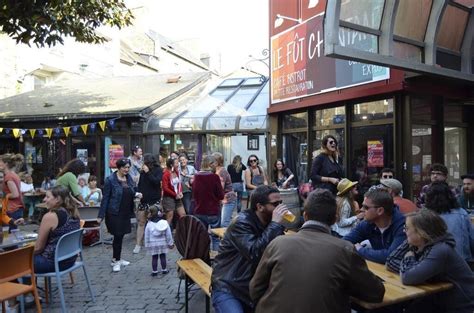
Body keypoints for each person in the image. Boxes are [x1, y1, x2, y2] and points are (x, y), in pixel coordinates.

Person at [250, 189, 385, 313]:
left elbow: (255, 288)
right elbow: (376, 293)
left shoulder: (277, 243)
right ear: (335, 219)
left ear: (305, 216)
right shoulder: (344, 250)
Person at [211, 185, 289, 313]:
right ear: (259, 207)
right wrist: (275, 225)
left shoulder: (271, 224)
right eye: (275, 204)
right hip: (229, 286)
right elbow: (255, 254)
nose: (280, 208)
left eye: (281, 202)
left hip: (255, 288)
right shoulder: (242, 222)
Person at [395, 210, 474, 313]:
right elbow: (391, 261)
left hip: (461, 307)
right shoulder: (423, 246)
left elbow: (407, 277)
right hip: (440, 301)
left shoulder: (440, 250)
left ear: (421, 232)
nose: (404, 231)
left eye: (407, 228)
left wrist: (408, 257)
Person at [97, 158, 142, 272]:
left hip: (125, 211)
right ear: (119, 167)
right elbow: (106, 198)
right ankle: (116, 261)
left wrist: (136, 193)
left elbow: (131, 190)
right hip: (114, 212)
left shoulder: (128, 178)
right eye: (124, 167)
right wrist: (100, 215)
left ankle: (117, 258)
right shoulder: (110, 180)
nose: (126, 170)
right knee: (117, 235)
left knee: (121, 236)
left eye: (128, 167)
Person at [343, 188, 406, 264]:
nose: (361, 209)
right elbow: (343, 243)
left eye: (366, 207)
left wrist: (360, 250)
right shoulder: (367, 223)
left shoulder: (402, 224)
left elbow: (392, 256)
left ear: (380, 211)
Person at [424, 181, 473, 264]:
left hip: (433, 263)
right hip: (462, 262)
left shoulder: (425, 216)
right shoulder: (461, 213)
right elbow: (472, 239)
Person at [34, 185, 80, 273]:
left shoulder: (50, 216)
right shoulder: (74, 212)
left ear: (57, 199)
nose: (44, 199)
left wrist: (22, 255)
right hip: (69, 259)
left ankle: (27, 286)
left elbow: (39, 248)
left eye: (47, 197)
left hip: (53, 262)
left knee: (14, 262)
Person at [192, 155, 224, 249]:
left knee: (202, 237)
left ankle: (203, 258)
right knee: (215, 237)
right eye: (215, 164)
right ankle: (215, 260)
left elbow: (194, 194)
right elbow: (221, 195)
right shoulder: (214, 177)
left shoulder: (196, 177)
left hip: (200, 210)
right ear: (210, 164)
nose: (216, 166)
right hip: (213, 211)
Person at [134, 153, 163, 254]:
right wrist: (138, 193)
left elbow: (156, 182)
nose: (144, 164)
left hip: (154, 200)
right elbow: (141, 184)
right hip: (144, 200)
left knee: (155, 222)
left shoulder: (158, 170)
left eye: (145, 162)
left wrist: (148, 172)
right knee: (141, 222)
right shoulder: (143, 171)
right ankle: (138, 244)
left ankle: (155, 242)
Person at [144, 205, 174, 276]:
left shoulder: (149, 224)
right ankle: (164, 269)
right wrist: (170, 243)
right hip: (162, 242)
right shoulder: (165, 223)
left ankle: (154, 271)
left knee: (154, 257)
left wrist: (147, 244)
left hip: (153, 243)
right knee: (163, 256)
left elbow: (146, 235)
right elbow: (168, 234)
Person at [0, 153, 25, 232]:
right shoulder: (13, 174)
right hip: (15, 208)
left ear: (6, 164)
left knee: (10, 236)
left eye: (0, 162)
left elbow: (15, 194)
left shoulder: (8, 176)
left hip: (12, 209)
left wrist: (4, 195)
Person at [213, 152, 236, 228]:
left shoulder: (222, 171)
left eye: (212, 161)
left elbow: (220, 187)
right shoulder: (215, 171)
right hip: (221, 200)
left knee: (224, 223)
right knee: (219, 223)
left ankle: (227, 239)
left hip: (228, 199)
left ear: (217, 162)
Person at [161, 157, 186, 225]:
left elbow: (179, 183)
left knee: (183, 214)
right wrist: (175, 195)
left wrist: (180, 192)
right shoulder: (166, 174)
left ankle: (181, 232)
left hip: (177, 196)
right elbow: (165, 188)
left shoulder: (176, 172)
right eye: (176, 163)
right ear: (171, 165)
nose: (178, 164)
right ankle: (165, 233)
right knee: (169, 216)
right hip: (169, 198)